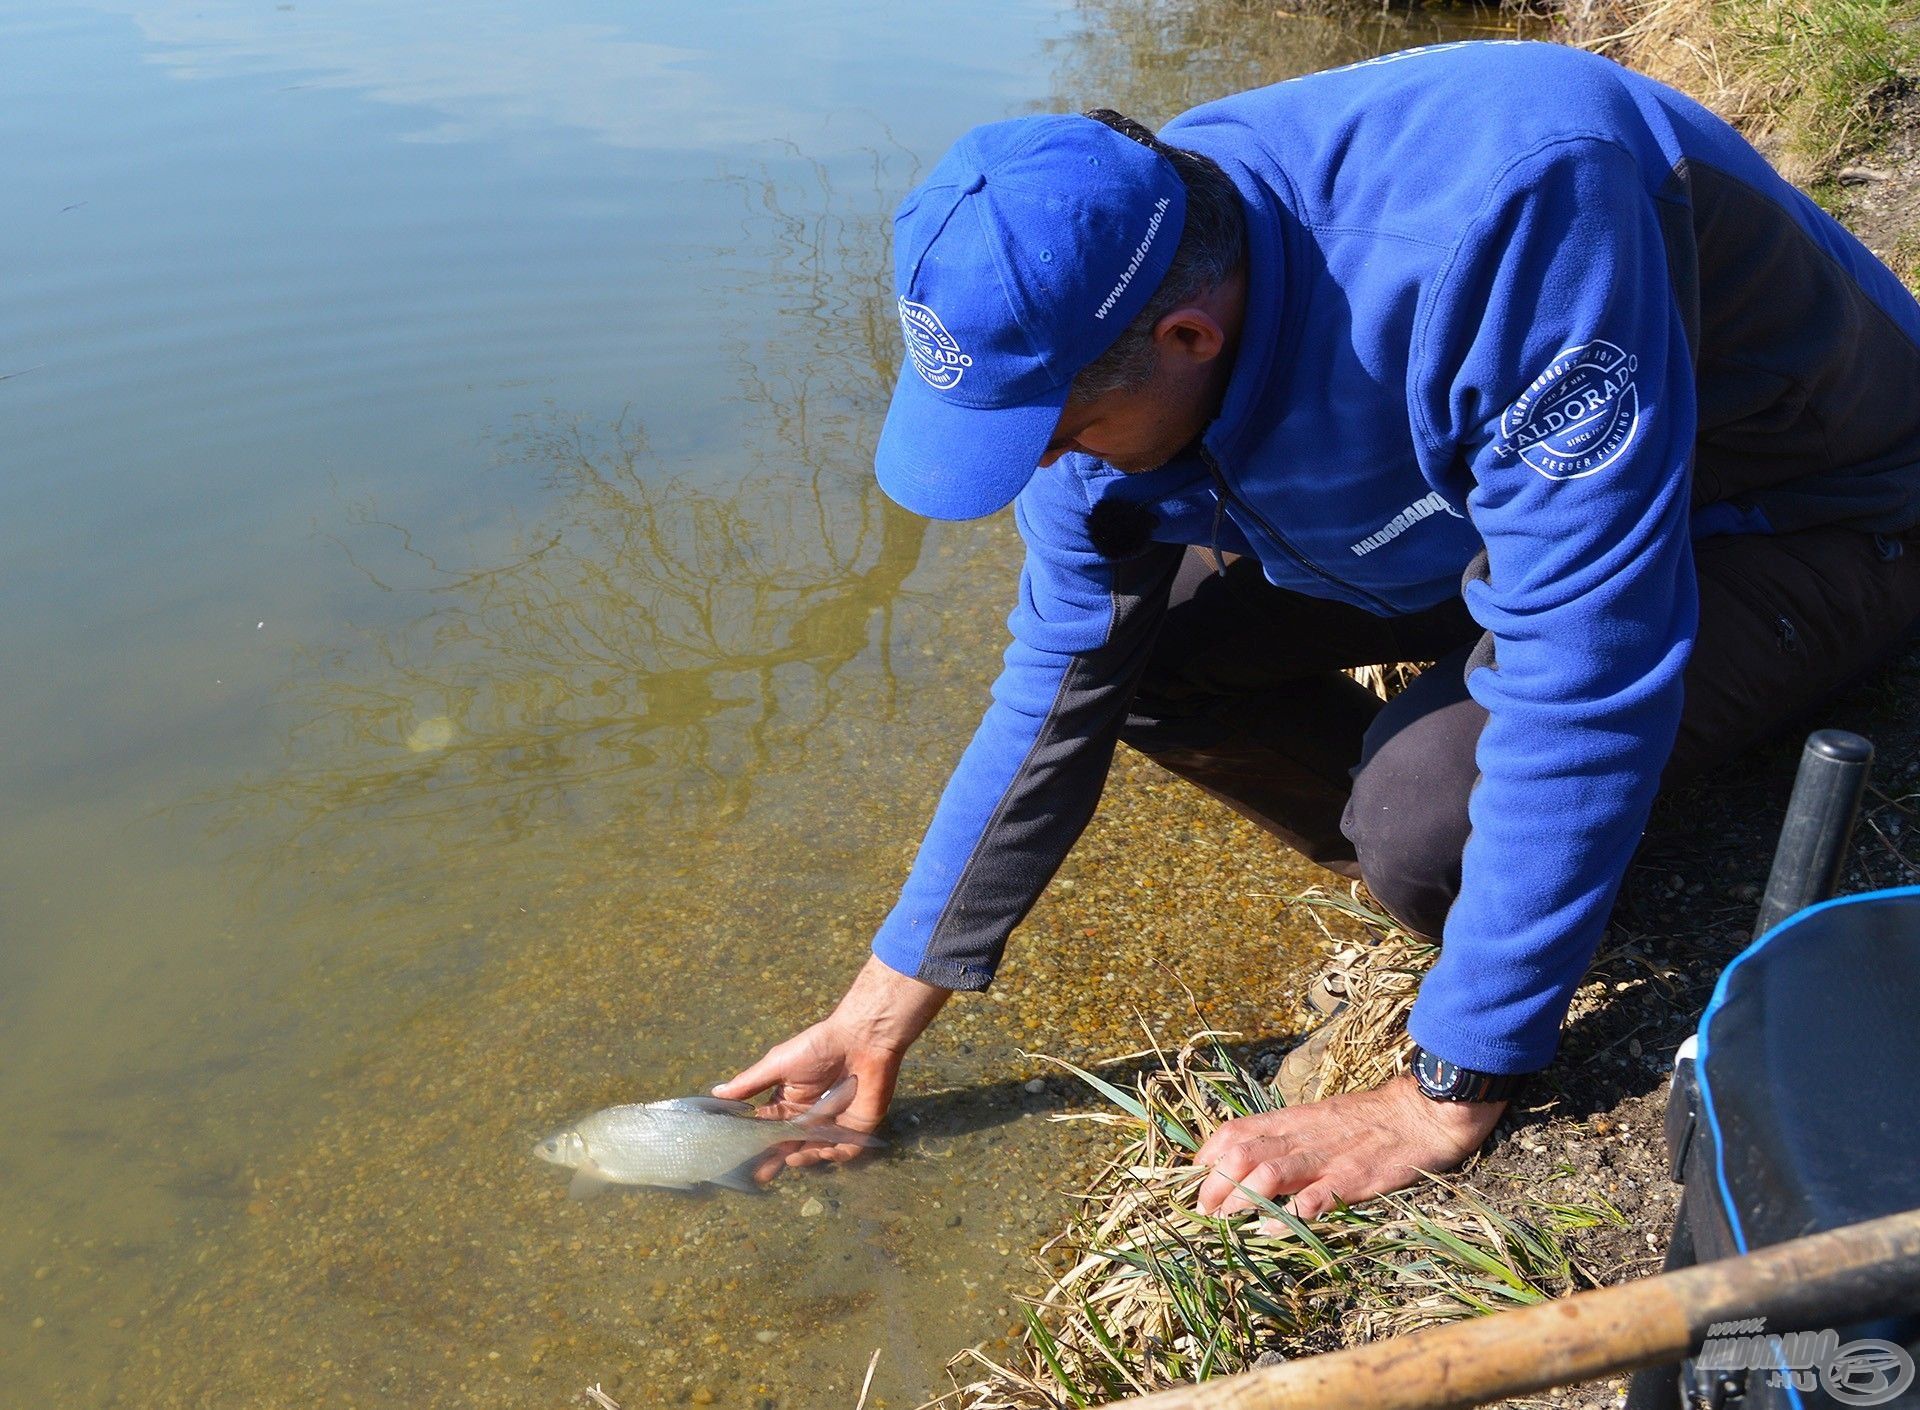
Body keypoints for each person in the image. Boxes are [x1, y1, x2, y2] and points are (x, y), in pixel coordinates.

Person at [717, 40, 1920, 1217]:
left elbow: (1588, 654)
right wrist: (878, 1010)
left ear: (1189, 340)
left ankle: (1490, 867)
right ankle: (1504, 869)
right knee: (1168, 660)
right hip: (1497, 505)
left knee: (1424, 820)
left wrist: (1448, 1083)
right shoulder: (1115, 268)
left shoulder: (1516, 216)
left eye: (1058, 429)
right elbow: (1061, 674)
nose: (1044, 466)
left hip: (1806, 510)